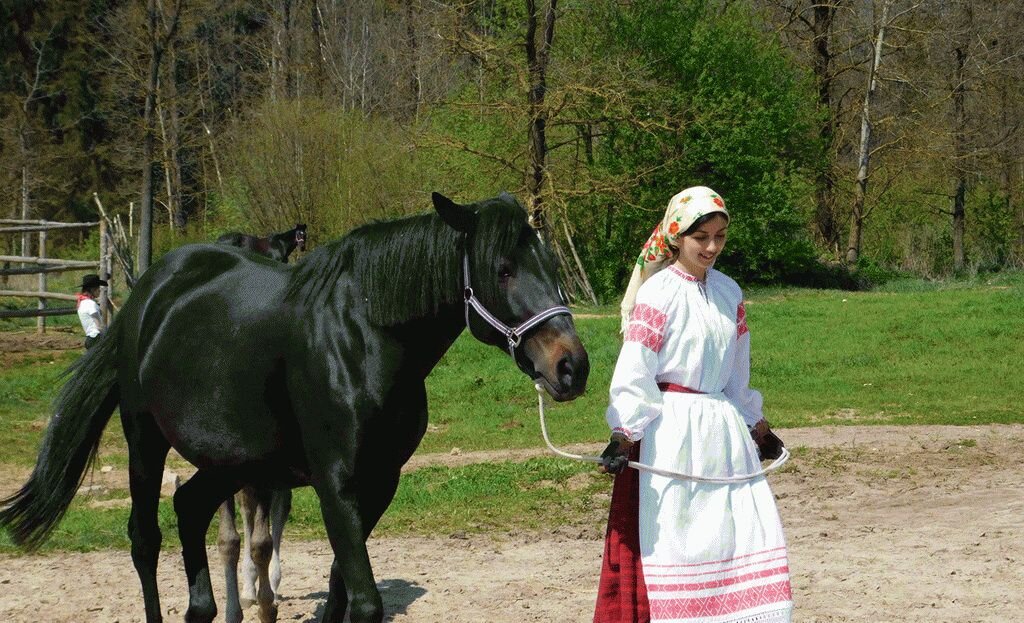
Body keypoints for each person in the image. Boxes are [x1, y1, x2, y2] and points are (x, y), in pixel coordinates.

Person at [594, 186, 792, 623]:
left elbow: (737, 373)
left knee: (733, 539)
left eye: (719, 236)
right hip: (671, 435)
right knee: (675, 543)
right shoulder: (657, 294)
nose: (712, 247)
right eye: (701, 236)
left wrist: (759, 429)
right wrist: (623, 435)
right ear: (677, 236)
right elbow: (635, 370)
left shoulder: (728, 293)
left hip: (721, 437)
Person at [76, 273, 107, 349]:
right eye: (98, 288)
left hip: (90, 338)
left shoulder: (82, 303)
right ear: (92, 289)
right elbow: (99, 326)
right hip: (96, 338)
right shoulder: (91, 304)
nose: (99, 290)